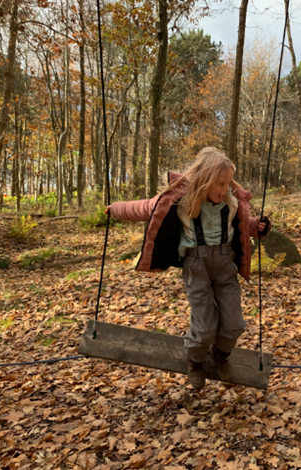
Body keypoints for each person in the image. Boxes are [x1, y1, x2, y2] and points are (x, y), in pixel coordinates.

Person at [106, 147, 270, 390]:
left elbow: (243, 225)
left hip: (225, 266)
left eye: (228, 183)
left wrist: (258, 227)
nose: (226, 189)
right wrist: (115, 208)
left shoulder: (231, 203)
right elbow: (141, 209)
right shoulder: (180, 201)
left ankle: (221, 355)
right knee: (204, 328)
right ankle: (194, 360)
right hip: (196, 267)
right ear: (204, 181)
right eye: (220, 183)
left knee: (234, 324)